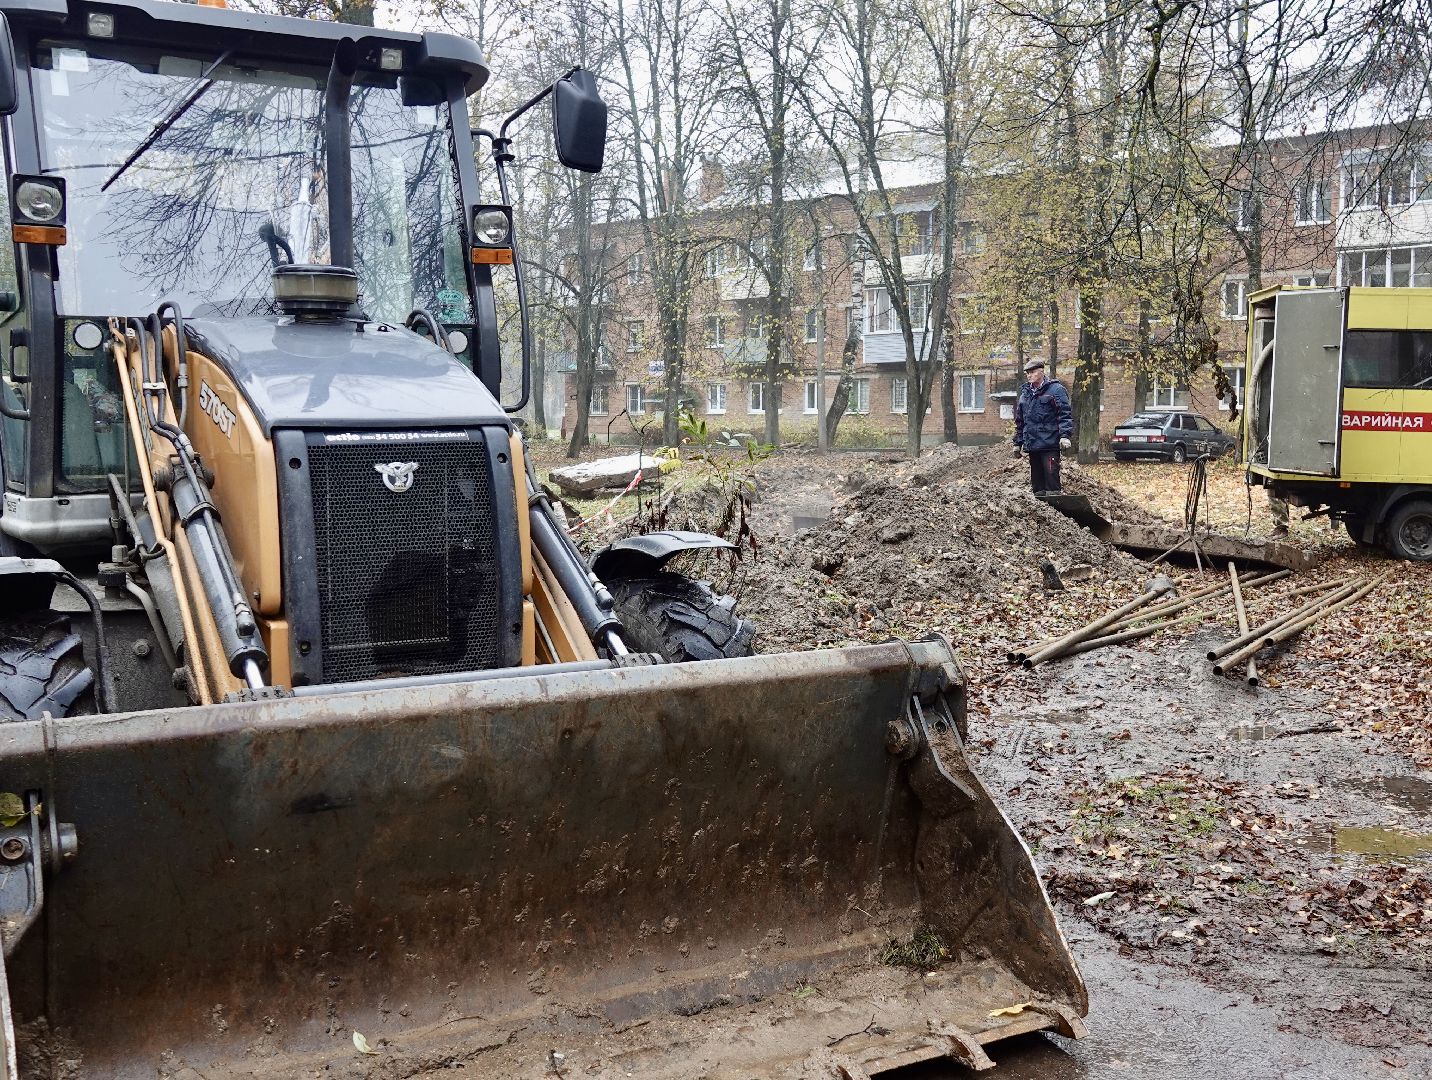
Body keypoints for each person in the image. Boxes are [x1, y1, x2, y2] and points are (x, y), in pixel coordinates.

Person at [1012, 358, 1073, 495]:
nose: (1029, 375)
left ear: (1041, 371)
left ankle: (1056, 506)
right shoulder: (1025, 395)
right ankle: (1041, 510)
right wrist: (1017, 443)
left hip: (1049, 445)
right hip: (1033, 445)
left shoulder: (1055, 390)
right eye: (1027, 373)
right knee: (1037, 484)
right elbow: (1020, 421)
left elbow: (1064, 414)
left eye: (1032, 372)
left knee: (1051, 480)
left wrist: (1064, 436)